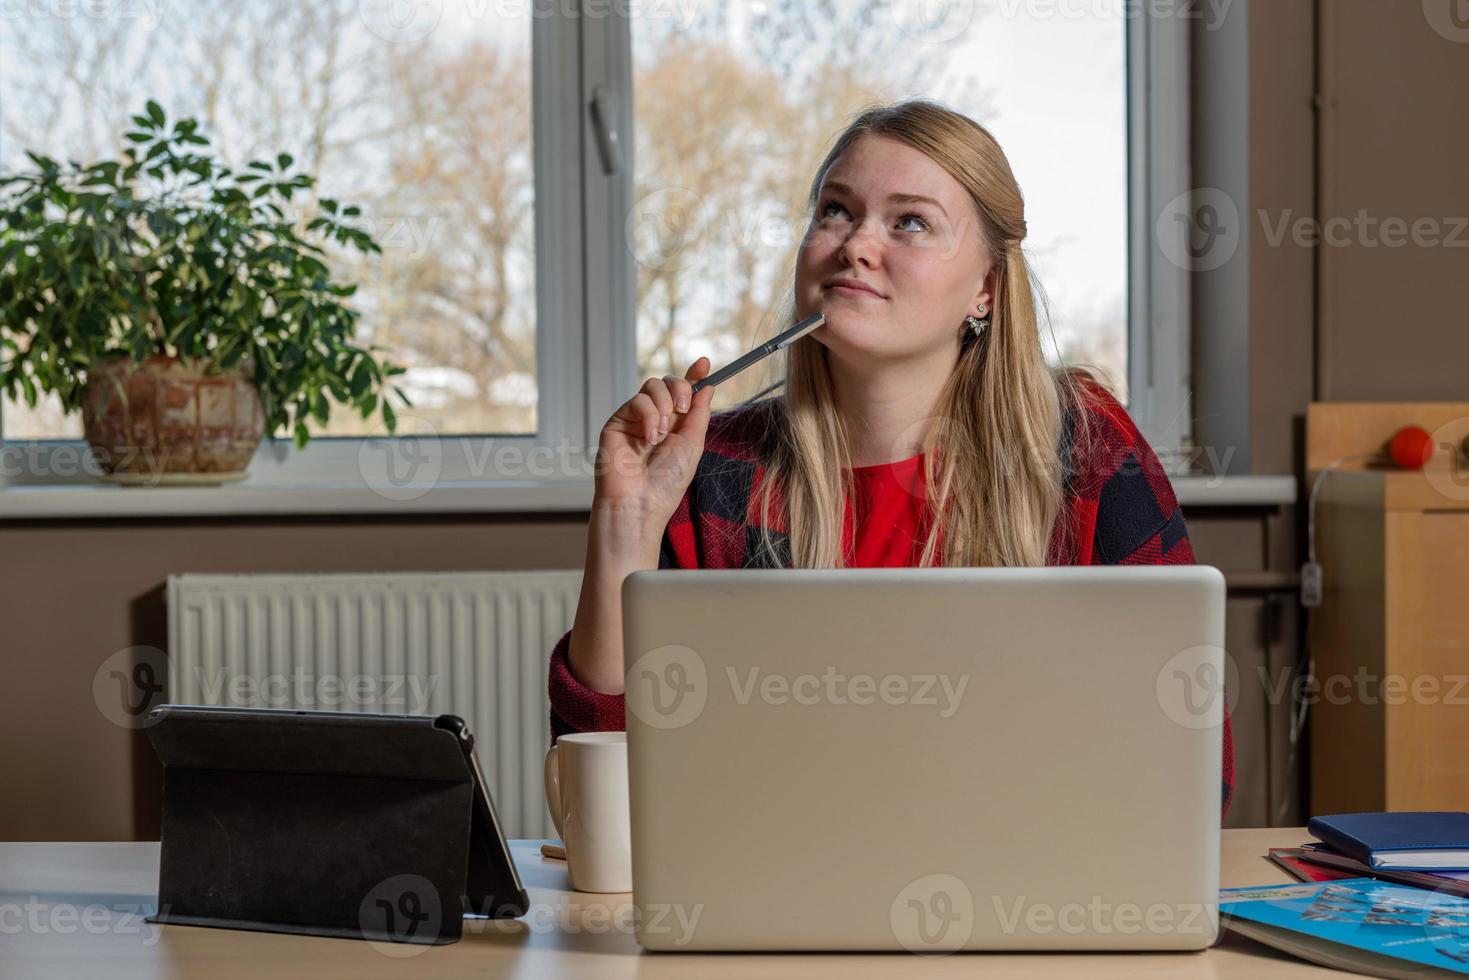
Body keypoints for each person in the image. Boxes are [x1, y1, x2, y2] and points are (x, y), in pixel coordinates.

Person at [548, 98, 1233, 819]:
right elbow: (605, 802)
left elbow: (1187, 771)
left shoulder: (1085, 447)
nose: (853, 245)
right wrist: (627, 522)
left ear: (985, 290)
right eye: (835, 211)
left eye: (908, 221)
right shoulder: (714, 467)